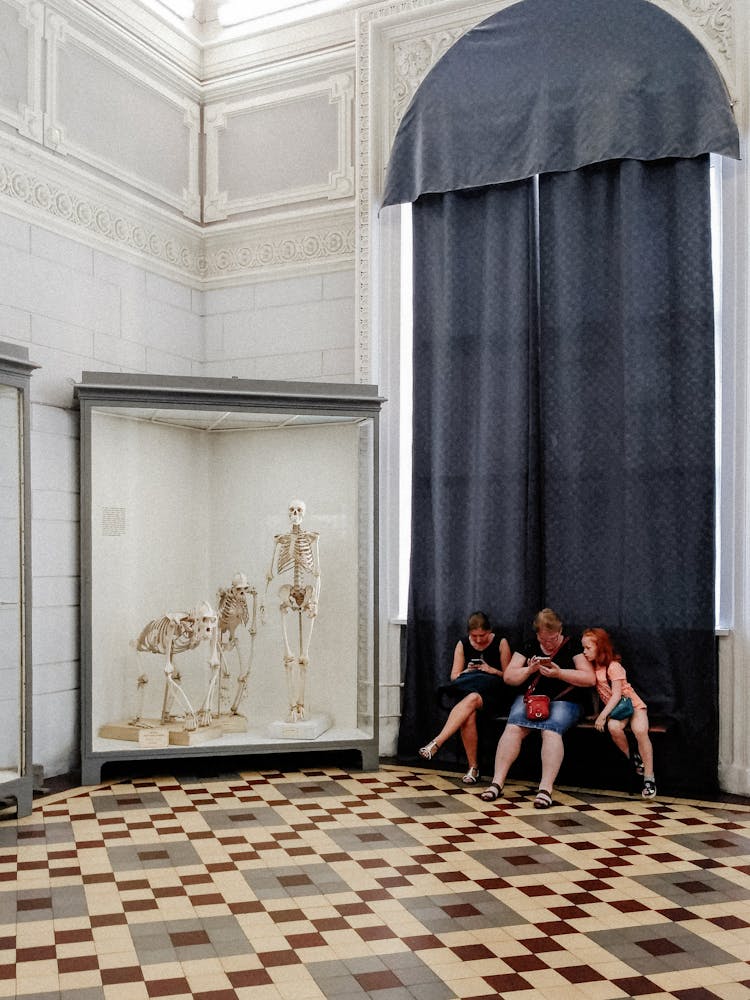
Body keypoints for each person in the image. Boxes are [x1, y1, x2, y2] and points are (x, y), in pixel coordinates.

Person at [480, 608, 595, 808]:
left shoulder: (572, 645)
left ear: (560, 632)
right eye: (544, 640)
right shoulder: (530, 645)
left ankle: (545, 788)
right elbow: (509, 677)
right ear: (537, 635)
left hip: (566, 700)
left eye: (553, 639)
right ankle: (497, 782)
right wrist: (529, 670)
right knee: (513, 726)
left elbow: (589, 678)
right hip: (533, 700)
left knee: (550, 729)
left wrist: (559, 674)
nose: (548, 643)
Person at [418, 611, 511, 784]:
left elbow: (508, 676)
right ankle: (473, 768)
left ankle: (437, 742)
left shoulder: (501, 642)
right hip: (471, 693)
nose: (477, 640)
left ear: (489, 631)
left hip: (495, 695)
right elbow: (454, 676)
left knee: (472, 699)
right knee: (469, 714)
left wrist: (491, 670)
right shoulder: (462, 643)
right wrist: (466, 671)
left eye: (482, 635)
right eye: (473, 636)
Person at [582, 627, 656, 799]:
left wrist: (602, 715)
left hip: (632, 705)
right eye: (584, 648)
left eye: (588, 648)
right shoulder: (592, 668)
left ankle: (649, 777)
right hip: (616, 710)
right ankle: (634, 758)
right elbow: (597, 693)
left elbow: (616, 695)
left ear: (600, 647)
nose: (584, 652)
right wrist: (597, 713)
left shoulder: (614, 666)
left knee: (640, 731)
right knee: (613, 727)